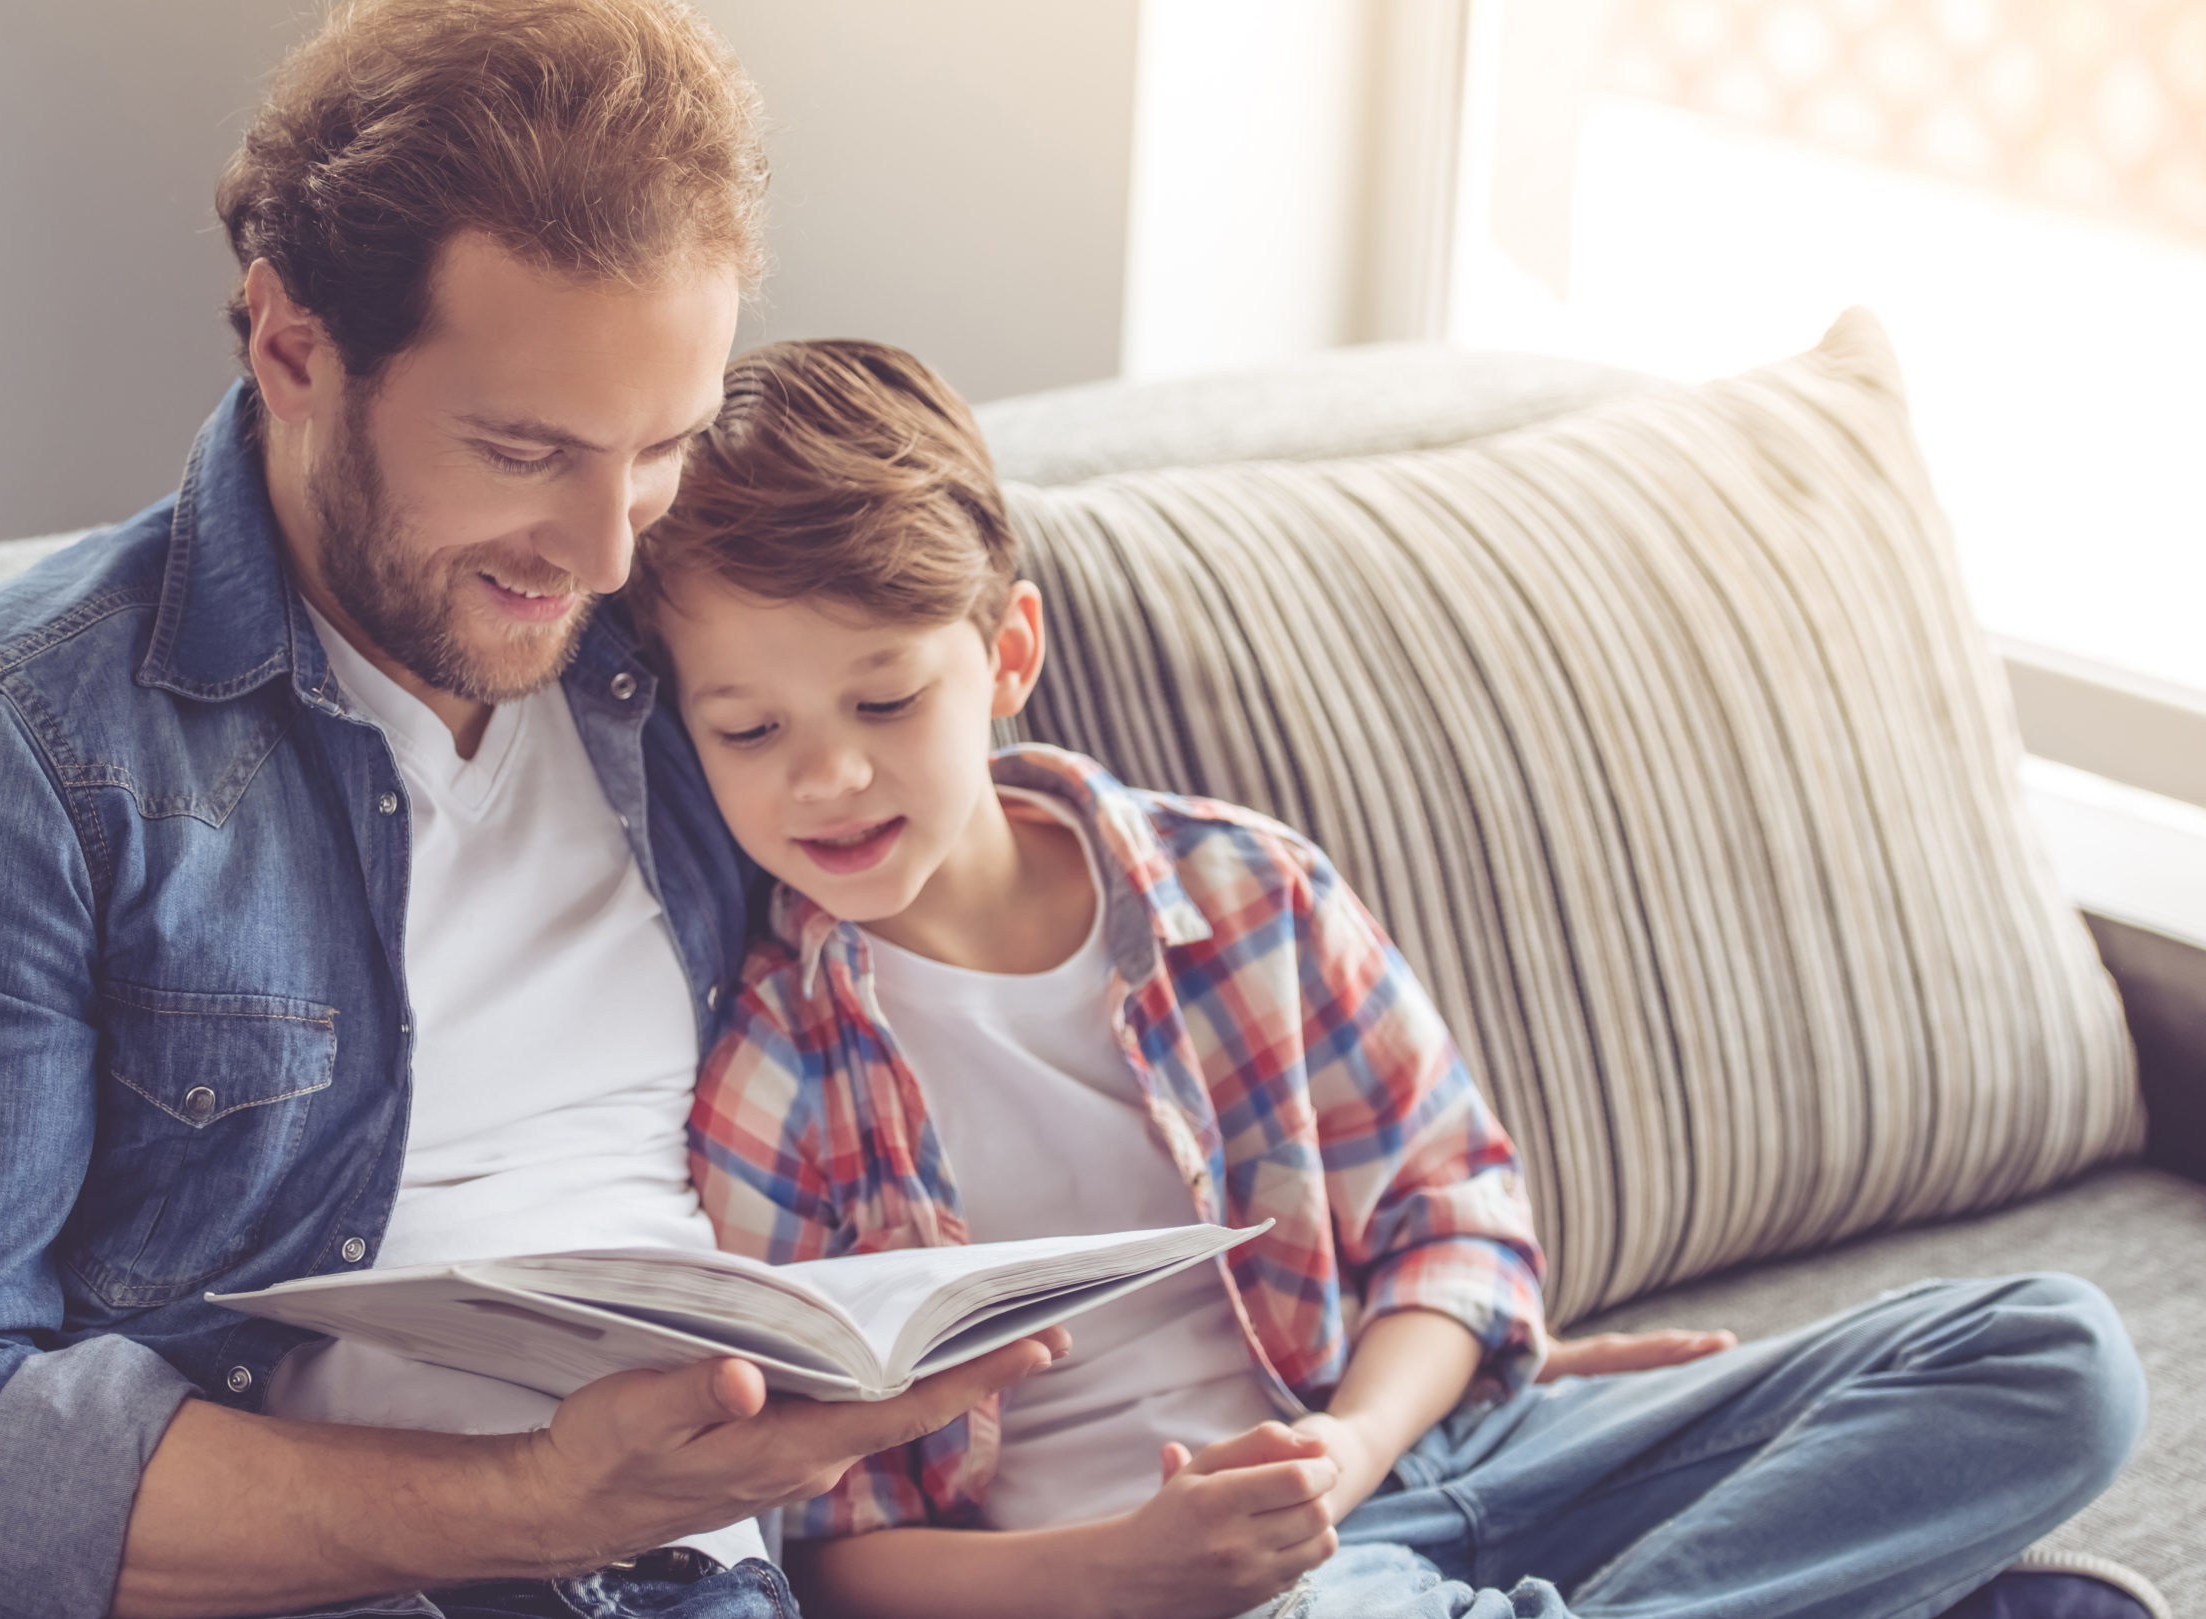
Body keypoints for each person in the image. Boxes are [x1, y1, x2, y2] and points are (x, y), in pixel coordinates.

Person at [0, 8, 1071, 1618]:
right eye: (524, 451)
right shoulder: (0, 755)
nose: (601, 556)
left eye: (661, 449)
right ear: (290, 346)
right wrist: (530, 1505)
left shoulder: (685, 667)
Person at [638, 338, 2151, 1619]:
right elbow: (812, 1544)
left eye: (885, 696)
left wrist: (1359, 1445)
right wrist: (1117, 1573)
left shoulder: (1242, 893)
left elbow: (1461, 1229)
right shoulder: (775, 1081)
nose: (828, 775)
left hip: (1439, 1456)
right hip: (1196, 1587)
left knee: (2055, 1356)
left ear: (1007, 651)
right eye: (749, 731)